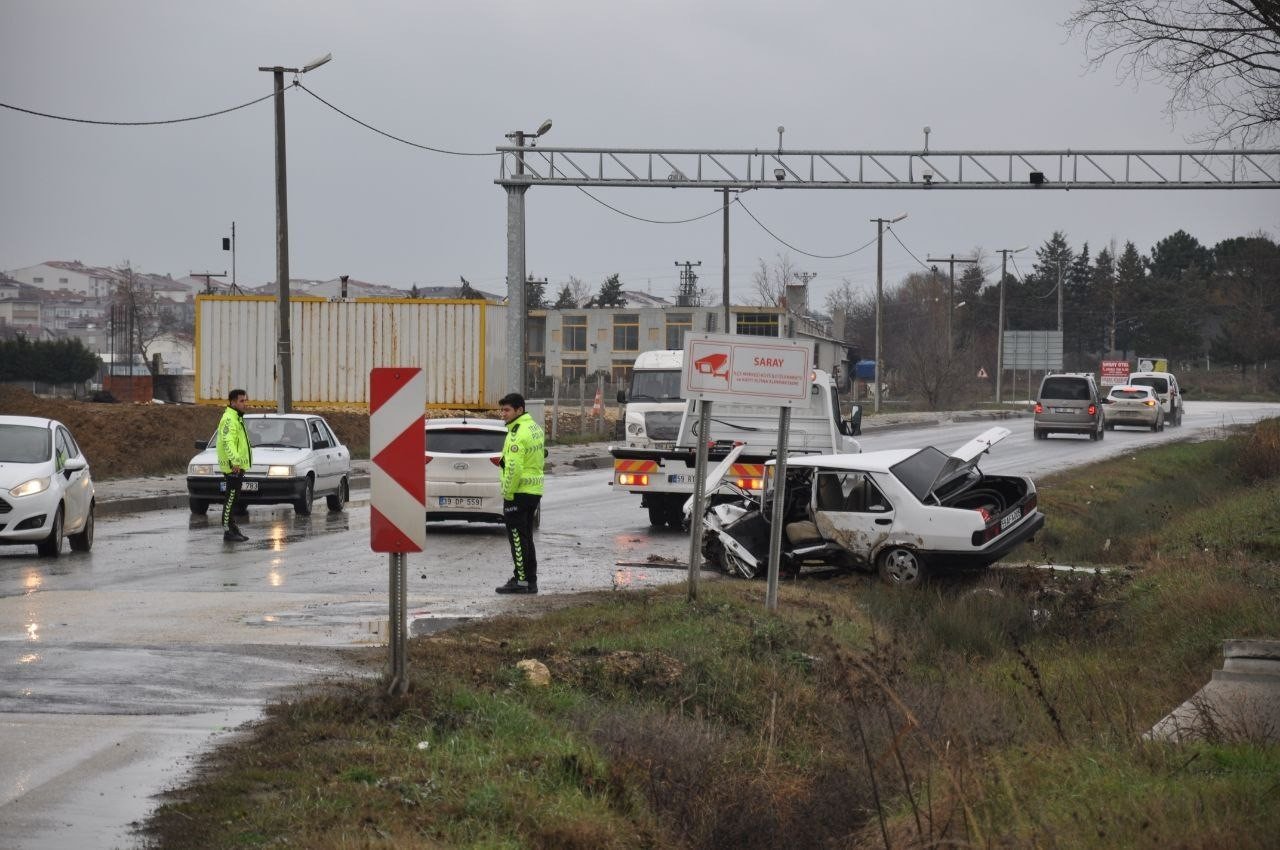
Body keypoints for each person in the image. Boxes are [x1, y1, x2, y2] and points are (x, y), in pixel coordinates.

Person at [495, 392, 545, 594]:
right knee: (526, 538)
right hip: (534, 491)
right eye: (502, 410)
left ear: (519, 410)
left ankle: (521, 581)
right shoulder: (534, 428)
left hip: (519, 492)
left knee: (517, 537)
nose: (503, 414)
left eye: (507, 410)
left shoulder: (517, 433)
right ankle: (529, 580)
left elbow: (513, 467)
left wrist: (507, 493)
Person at [216, 388, 252, 542]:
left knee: (234, 498)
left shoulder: (237, 417)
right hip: (233, 466)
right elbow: (227, 442)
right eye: (241, 401)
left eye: (245, 400)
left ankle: (233, 528)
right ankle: (227, 530)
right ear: (232, 402)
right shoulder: (229, 419)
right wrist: (235, 461)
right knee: (230, 498)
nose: (245, 404)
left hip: (237, 465)